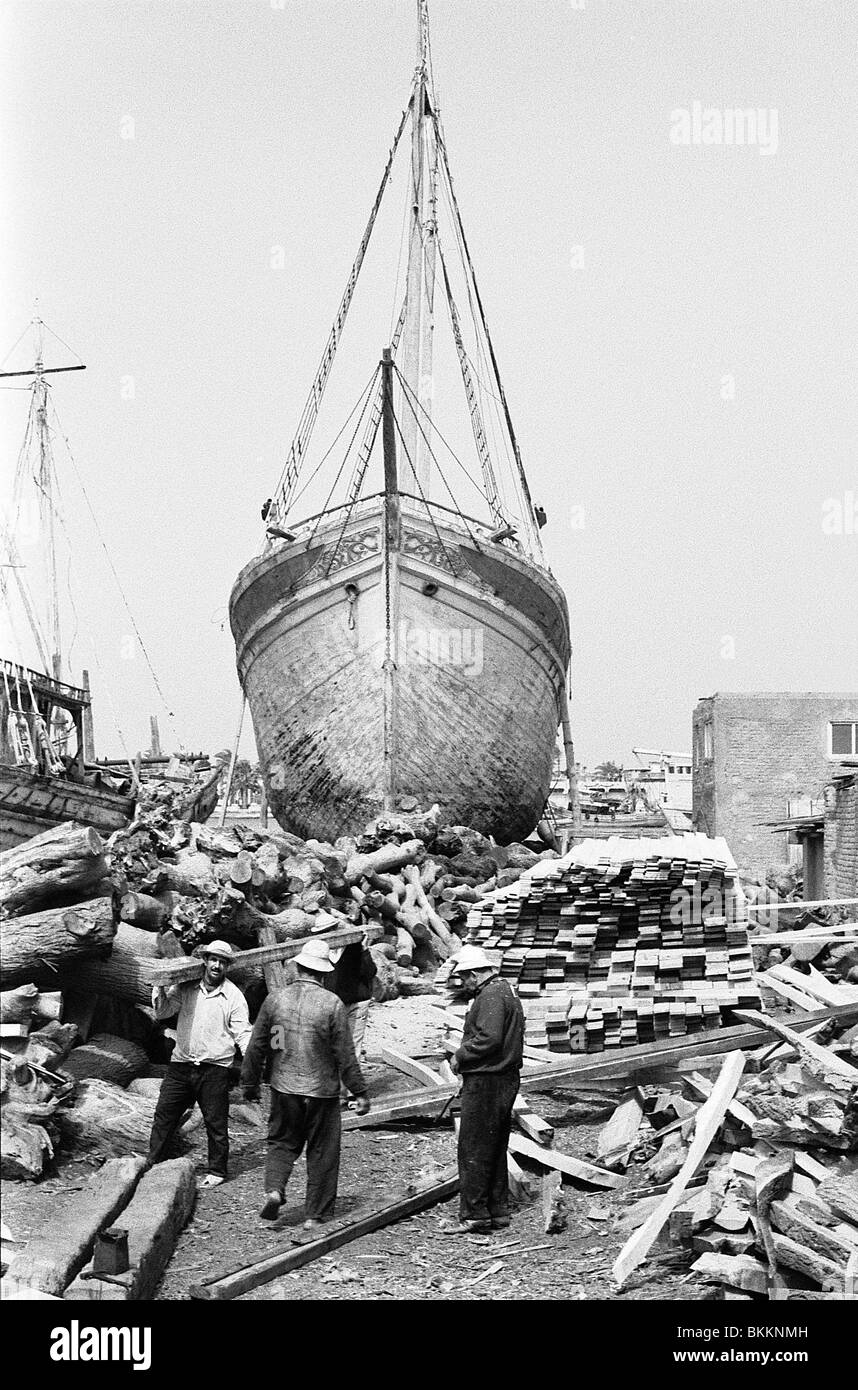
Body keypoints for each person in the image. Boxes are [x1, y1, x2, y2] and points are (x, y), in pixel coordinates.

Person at [240, 938, 371, 1226]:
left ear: (298, 967)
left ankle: (275, 1190)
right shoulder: (332, 1004)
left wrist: (249, 1084)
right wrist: (359, 1091)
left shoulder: (277, 1000)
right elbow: (344, 1054)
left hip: (284, 1088)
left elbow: (266, 1044)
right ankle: (316, 1214)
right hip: (321, 1091)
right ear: (325, 973)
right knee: (323, 1150)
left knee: (281, 1142)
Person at [148, 940, 253, 1189]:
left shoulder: (233, 996)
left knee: (215, 1122)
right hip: (181, 1065)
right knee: (164, 1115)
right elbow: (163, 1013)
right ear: (205, 961)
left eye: (222, 961)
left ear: (227, 966)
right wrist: (161, 988)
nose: (216, 965)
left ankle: (216, 1170)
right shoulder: (186, 988)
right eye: (213, 960)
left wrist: (252, 1064)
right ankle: (153, 1163)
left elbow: (243, 1033)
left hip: (215, 1068)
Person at [449, 944, 524, 1234]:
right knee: (493, 1145)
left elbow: (489, 1039)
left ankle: (475, 1214)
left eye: (466, 977)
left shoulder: (491, 995)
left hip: (486, 1080)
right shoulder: (506, 991)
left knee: (474, 1148)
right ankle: (497, 1210)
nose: (464, 983)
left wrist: (461, 1055)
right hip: (503, 1077)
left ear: (478, 973)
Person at [327, 936, 377, 1099]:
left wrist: (364, 951)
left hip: (357, 1003)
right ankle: (335, 1089)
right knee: (332, 1046)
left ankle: (350, 1091)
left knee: (353, 1046)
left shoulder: (354, 947)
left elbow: (370, 972)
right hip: (334, 1004)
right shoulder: (321, 952)